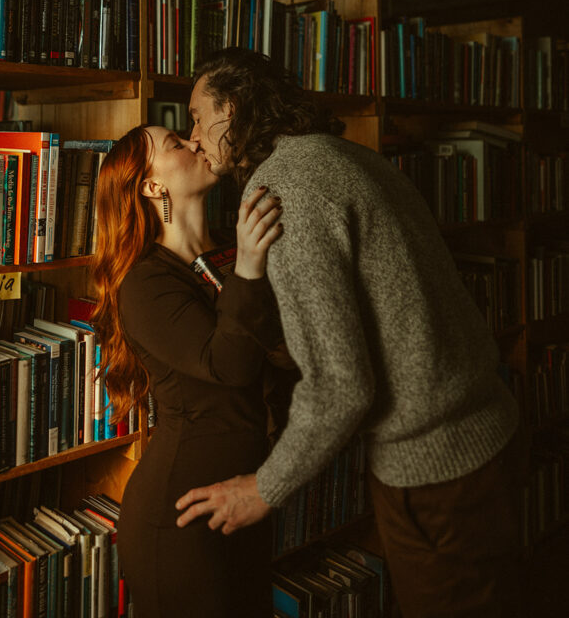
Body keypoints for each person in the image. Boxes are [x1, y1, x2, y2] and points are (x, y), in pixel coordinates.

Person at [175, 47, 526, 618]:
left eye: (196, 116)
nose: (191, 136)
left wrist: (262, 489)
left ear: (232, 110)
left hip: (438, 474)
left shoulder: (282, 190)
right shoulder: (342, 157)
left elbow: (343, 386)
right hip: (488, 432)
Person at [90, 123, 284, 618]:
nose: (196, 142)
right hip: (181, 514)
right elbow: (230, 365)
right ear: (153, 188)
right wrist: (251, 268)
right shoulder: (145, 283)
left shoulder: (229, 246)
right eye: (177, 144)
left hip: (249, 496)